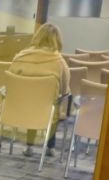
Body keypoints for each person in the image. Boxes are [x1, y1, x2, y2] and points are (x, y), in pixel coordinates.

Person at [8, 23, 70, 157]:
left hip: (20, 106)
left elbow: (10, 83)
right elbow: (65, 90)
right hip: (47, 109)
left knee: (34, 99)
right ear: (57, 39)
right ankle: (50, 147)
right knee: (56, 101)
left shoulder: (19, 58)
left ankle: (29, 146)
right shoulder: (59, 62)